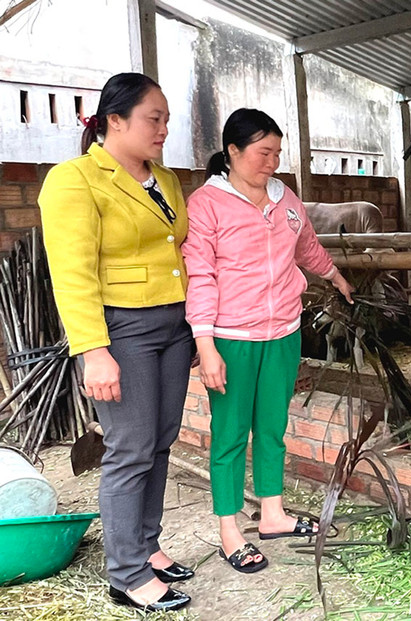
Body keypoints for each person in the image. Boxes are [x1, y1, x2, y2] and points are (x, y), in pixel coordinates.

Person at [38, 73, 193, 612]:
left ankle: (145, 546)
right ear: (115, 120)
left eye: (167, 119)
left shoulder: (166, 181)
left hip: (173, 325)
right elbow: (72, 272)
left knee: (161, 438)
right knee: (129, 447)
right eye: (155, 118)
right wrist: (92, 350)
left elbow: (180, 251)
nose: (164, 129)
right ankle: (125, 572)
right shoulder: (75, 179)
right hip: (120, 328)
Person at [181, 108, 354, 573]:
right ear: (233, 152)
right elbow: (199, 276)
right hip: (232, 337)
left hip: (283, 332)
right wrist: (205, 345)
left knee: (273, 427)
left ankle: (273, 513)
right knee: (231, 434)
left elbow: (307, 247)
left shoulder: (285, 199)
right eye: (262, 153)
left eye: (277, 152)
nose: (272, 162)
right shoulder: (207, 204)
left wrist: (335, 276)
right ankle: (229, 529)